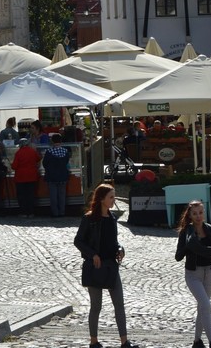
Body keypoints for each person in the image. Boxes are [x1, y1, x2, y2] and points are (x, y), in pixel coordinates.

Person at [73, 183, 140, 348]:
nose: (114, 200)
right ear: (102, 199)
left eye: (114, 196)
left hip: (111, 266)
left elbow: (114, 242)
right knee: (96, 306)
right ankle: (94, 341)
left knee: (119, 304)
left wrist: (120, 249)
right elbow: (78, 241)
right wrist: (92, 254)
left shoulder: (112, 219)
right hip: (95, 266)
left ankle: (125, 342)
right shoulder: (89, 219)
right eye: (111, 197)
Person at [175, 200, 211, 348]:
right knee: (206, 305)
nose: (198, 216)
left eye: (200, 212)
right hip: (193, 274)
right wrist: (189, 247)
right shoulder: (186, 232)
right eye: (195, 214)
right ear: (190, 215)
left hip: (209, 273)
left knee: (202, 308)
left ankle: (197, 342)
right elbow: (178, 256)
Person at [43, 133, 72, 217]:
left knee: (53, 196)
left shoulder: (49, 151)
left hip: (51, 176)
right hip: (63, 175)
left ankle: (55, 212)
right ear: (61, 141)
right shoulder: (65, 151)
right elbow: (66, 162)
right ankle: (62, 212)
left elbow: (45, 163)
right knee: (62, 195)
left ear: (52, 141)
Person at [11, 138, 41, 217]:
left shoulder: (18, 153)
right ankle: (31, 212)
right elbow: (38, 159)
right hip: (32, 176)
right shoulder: (33, 151)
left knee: (22, 196)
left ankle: (23, 212)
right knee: (31, 195)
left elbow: (14, 166)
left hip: (20, 177)